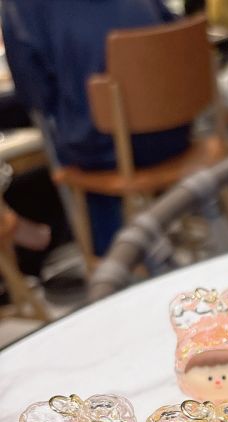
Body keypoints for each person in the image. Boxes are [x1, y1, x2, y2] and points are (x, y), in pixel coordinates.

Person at [1, 0, 192, 257]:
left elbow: (35, 96)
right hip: (179, 130)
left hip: (111, 150)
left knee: (77, 138)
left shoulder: (20, 7)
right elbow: (176, 30)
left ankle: (113, 260)